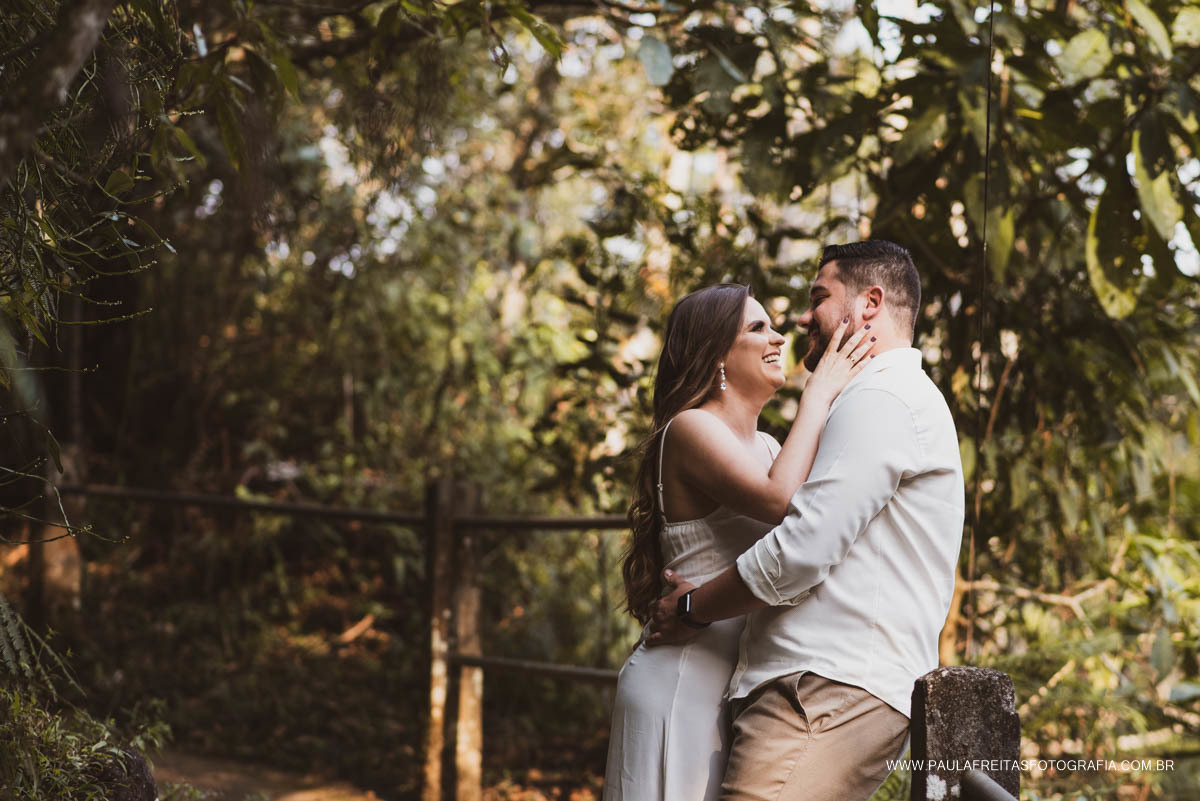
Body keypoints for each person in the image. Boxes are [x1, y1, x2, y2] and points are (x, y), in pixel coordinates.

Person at [647, 240, 965, 801]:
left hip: (825, 687)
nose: (797, 319)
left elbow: (800, 549)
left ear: (869, 304)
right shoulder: (863, 400)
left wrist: (693, 608)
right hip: (800, 686)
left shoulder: (883, 398)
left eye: (818, 296)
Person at [603, 282, 876, 801]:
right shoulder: (689, 429)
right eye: (758, 328)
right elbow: (780, 502)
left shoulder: (772, 446)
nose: (778, 338)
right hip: (682, 682)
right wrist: (818, 392)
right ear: (716, 355)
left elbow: (813, 530)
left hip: (736, 686)